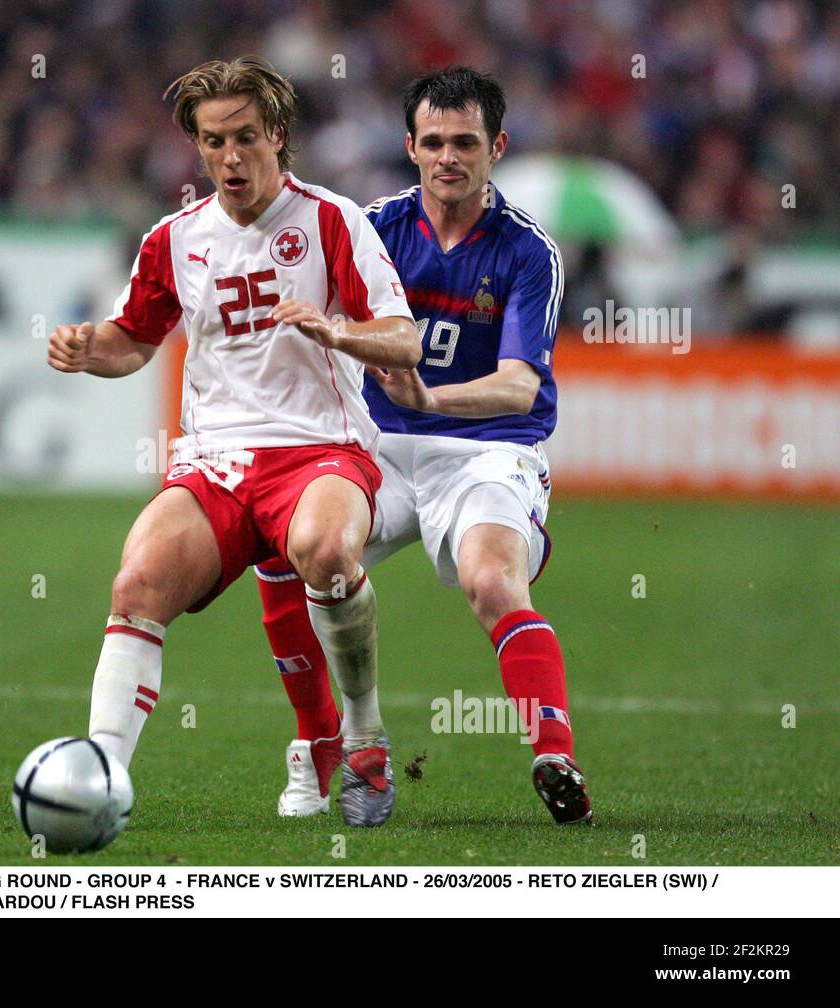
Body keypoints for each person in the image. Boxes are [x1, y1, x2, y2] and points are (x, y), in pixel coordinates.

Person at [47, 56, 420, 827]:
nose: (230, 156)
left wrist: (337, 329)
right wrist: (91, 350)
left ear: (279, 136)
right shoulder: (175, 239)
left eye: (246, 136)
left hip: (320, 450)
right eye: (213, 141)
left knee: (325, 551)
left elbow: (405, 340)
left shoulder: (330, 221)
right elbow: (132, 340)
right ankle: (101, 780)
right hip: (216, 462)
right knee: (138, 582)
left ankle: (362, 733)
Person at [257, 66, 592, 825]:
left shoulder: (527, 253)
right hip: (376, 445)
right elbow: (315, 321)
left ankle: (554, 750)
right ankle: (332, 744)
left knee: (492, 580)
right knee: (289, 552)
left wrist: (429, 397)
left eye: (465, 142)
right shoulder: (370, 228)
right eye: (433, 141)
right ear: (409, 146)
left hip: (486, 449)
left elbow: (518, 387)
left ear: (496, 146)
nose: (449, 156)